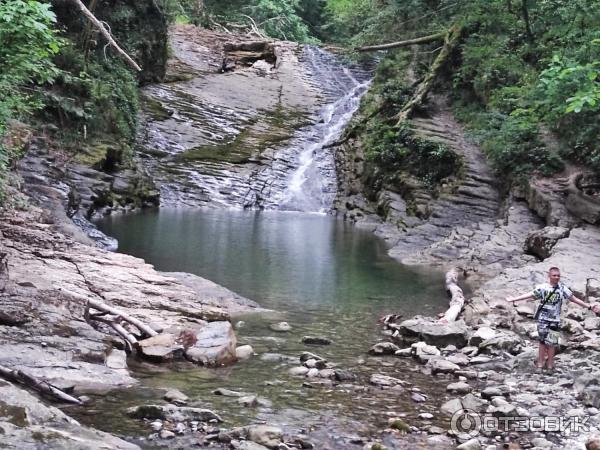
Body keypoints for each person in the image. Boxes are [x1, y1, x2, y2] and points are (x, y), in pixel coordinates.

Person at [506, 266, 600, 371]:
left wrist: (589, 306)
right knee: (542, 342)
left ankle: (550, 365)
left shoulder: (562, 288)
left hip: (555, 319)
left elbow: (573, 299)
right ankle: (540, 365)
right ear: (549, 276)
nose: (556, 277)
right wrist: (514, 299)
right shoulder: (543, 287)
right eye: (554, 275)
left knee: (552, 343)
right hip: (543, 318)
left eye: (558, 275)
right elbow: (531, 294)